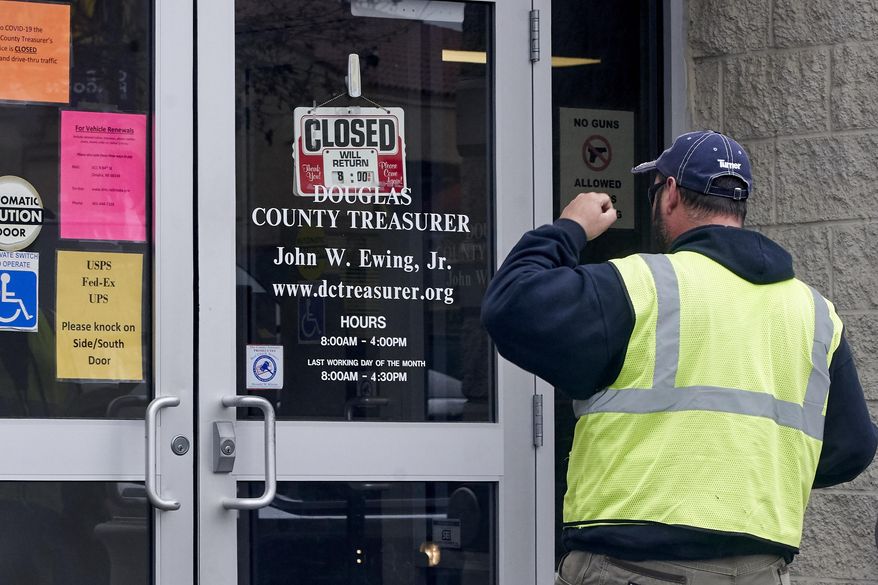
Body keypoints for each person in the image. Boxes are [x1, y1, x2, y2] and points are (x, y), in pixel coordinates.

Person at [481, 130, 878, 584]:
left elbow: (510, 304)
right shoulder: (814, 313)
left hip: (633, 570)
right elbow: (853, 448)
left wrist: (570, 227)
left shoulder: (640, 286)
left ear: (668, 192)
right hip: (758, 573)